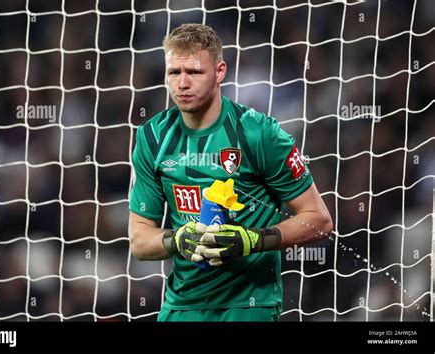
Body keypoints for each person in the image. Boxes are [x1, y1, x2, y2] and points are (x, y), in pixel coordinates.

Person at [128, 23, 333, 321]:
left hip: (250, 306)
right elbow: (138, 241)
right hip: (183, 306)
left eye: (194, 72)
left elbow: (319, 220)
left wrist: (251, 240)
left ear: (220, 71)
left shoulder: (258, 133)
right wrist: (177, 240)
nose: (182, 83)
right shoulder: (152, 137)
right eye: (174, 73)